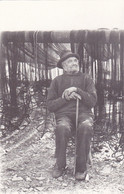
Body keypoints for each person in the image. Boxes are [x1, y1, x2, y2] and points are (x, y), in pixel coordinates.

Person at [47, 50, 97, 180]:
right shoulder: (57, 81)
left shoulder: (87, 78)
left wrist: (77, 89)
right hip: (64, 116)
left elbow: (92, 101)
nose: (74, 63)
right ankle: (60, 165)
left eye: (75, 60)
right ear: (63, 66)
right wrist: (66, 98)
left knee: (86, 127)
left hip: (84, 114)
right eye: (70, 61)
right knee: (61, 128)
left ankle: (81, 168)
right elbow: (50, 106)